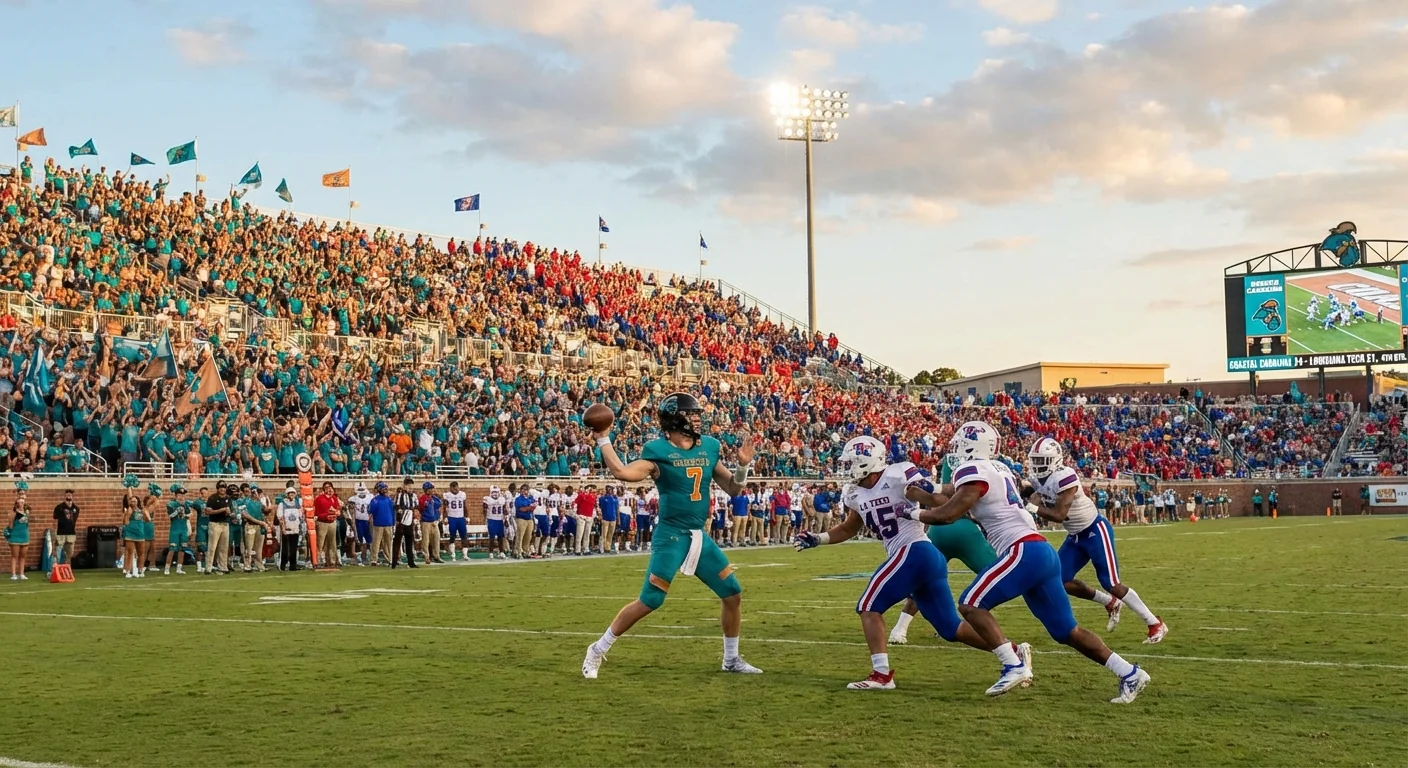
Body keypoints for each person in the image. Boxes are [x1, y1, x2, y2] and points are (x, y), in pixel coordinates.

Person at [900, 421, 1151, 703]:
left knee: (971, 603)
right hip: (1040, 551)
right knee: (1067, 632)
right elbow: (948, 494)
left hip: (1022, 549)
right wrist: (920, 491)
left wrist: (910, 514)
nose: (957, 448)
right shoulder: (999, 469)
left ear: (972, 445)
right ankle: (1130, 673)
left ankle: (1013, 664)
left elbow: (948, 513)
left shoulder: (973, 471)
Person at [796, 436, 1033, 692]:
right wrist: (818, 538)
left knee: (868, 607)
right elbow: (849, 528)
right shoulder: (854, 493)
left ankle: (881, 675)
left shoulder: (898, 473)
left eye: (851, 462)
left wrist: (920, 494)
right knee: (950, 628)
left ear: (868, 461)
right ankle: (1012, 653)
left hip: (914, 549)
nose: (847, 467)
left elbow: (940, 502)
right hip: (923, 557)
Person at [582, 392, 762, 679]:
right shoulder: (658, 452)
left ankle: (731, 660)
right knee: (651, 599)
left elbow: (734, 489)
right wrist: (603, 438)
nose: (697, 419)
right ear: (676, 418)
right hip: (672, 535)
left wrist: (742, 466)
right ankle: (597, 649)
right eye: (692, 414)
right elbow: (623, 473)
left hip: (698, 536)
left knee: (732, 593)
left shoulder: (709, 447)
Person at [1026, 438, 1168, 643]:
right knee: (1060, 580)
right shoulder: (1038, 479)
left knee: (1112, 583)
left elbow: (1059, 515)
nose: (1038, 465)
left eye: (1042, 460)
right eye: (1036, 460)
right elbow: (1036, 495)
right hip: (1075, 536)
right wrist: (1027, 498)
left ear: (1055, 460)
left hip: (1094, 530)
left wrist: (1033, 508)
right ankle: (1110, 602)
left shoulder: (1065, 476)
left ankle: (1155, 623)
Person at [889, 461, 1000, 646]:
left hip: (938, 530)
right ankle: (978, 624)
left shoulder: (950, 465)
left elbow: (938, 496)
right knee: (1000, 575)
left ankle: (900, 629)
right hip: (965, 529)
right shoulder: (978, 468)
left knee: (922, 581)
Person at [241, 484, 272, 572]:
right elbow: (245, 514)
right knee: (249, 547)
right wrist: (259, 522)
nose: (257, 494)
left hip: (259, 526)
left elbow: (266, 511)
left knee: (259, 547)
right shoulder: (246, 501)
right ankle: (247, 564)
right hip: (250, 525)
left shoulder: (259, 502)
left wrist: (264, 502)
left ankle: (259, 564)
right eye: (255, 492)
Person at [313, 481, 342, 568]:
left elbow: (337, 509)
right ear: (324, 489)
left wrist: (335, 512)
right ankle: (316, 561)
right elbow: (315, 510)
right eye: (326, 487)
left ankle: (332, 561)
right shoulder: (319, 498)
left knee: (332, 543)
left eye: (330, 487)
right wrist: (320, 516)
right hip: (322, 522)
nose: (328, 489)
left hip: (332, 522)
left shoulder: (334, 498)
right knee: (320, 543)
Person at [205, 484, 232, 575]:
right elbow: (208, 511)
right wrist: (222, 510)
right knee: (212, 547)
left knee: (224, 547)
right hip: (215, 524)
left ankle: (223, 566)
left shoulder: (228, 498)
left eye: (224, 488)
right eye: (220, 488)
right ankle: (208, 567)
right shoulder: (212, 498)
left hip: (225, 524)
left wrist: (229, 512)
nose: (222, 489)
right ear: (217, 489)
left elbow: (230, 511)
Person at [163, 486, 192, 575]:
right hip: (175, 529)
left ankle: (179, 568)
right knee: (172, 548)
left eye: (183, 495)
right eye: (179, 495)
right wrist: (177, 511)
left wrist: (185, 514)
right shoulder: (171, 504)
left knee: (182, 549)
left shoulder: (186, 504)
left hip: (183, 528)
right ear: (175, 496)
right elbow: (170, 516)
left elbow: (189, 514)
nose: (181, 497)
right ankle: (167, 568)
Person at [393, 479, 420, 569]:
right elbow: (396, 506)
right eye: (408, 486)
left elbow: (417, 506)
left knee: (409, 542)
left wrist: (415, 513)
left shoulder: (414, 495)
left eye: (411, 487)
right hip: (401, 521)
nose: (410, 488)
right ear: (404, 486)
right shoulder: (400, 495)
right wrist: (399, 518)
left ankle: (411, 562)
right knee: (397, 542)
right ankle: (394, 561)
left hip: (409, 519)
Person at [368, 482, 396, 566]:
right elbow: (370, 510)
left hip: (388, 524)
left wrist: (393, 522)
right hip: (378, 524)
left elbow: (392, 511)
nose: (385, 490)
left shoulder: (389, 500)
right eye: (383, 488)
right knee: (376, 543)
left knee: (389, 543)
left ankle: (390, 559)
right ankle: (374, 559)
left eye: (385, 488)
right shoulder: (375, 500)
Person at [277, 488, 303, 571]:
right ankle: (283, 565)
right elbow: (280, 517)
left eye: (293, 493)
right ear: (287, 494)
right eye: (290, 493)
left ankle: (293, 566)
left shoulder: (297, 504)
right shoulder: (282, 504)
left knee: (293, 548)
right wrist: (283, 528)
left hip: (295, 528)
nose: (292, 494)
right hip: (286, 529)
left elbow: (300, 516)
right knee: (285, 549)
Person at [51, 489, 80, 564]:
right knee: (58, 553)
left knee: (69, 554)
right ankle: (55, 567)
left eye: (70, 494)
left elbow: (74, 521)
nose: (69, 496)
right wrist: (54, 533)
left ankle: (67, 568)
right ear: (65, 496)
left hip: (71, 533)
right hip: (60, 533)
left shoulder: (76, 508)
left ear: (73, 496)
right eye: (67, 494)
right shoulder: (59, 507)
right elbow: (54, 520)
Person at [419, 482, 444, 563]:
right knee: (425, 540)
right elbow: (421, 507)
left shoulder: (434, 498)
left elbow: (439, 503)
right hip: (425, 522)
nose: (432, 490)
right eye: (430, 489)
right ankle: (426, 556)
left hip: (434, 521)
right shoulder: (422, 498)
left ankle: (436, 556)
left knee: (436, 538)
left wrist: (433, 496)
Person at [349, 483, 373, 565]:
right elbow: (352, 513)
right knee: (359, 541)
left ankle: (370, 557)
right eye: (359, 490)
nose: (361, 491)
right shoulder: (353, 499)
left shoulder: (370, 497)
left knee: (370, 541)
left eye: (362, 489)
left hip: (368, 521)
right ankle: (359, 558)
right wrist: (352, 524)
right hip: (358, 521)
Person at [443, 481, 469, 561]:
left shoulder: (462, 494)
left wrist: (467, 516)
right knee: (452, 536)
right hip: (452, 518)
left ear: (458, 487)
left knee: (464, 536)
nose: (455, 489)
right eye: (453, 488)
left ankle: (465, 555)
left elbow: (464, 506)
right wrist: (445, 517)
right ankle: (453, 554)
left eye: (456, 487)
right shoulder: (447, 495)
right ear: (450, 488)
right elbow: (445, 507)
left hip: (461, 518)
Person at [6, 500, 31, 580]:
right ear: (16, 504)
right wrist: (8, 534)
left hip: (24, 536)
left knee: (23, 556)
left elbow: (27, 524)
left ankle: (21, 574)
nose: (22, 503)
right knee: (14, 556)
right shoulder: (13, 514)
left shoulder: (27, 513)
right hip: (15, 536)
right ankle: (13, 574)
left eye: (23, 502)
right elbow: (10, 526)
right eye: (20, 502)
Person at [483, 486, 508, 559]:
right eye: (493, 492)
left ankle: (501, 552)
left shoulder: (502, 499)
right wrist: (485, 518)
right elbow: (484, 509)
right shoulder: (487, 499)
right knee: (492, 537)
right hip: (491, 520)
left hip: (499, 520)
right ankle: (491, 552)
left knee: (501, 537)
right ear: (490, 492)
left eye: (496, 492)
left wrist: (506, 519)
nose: (495, 494)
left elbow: (504, 510)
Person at [513, 485, 537, 559]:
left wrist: (529, 508)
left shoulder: (530, 498)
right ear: (521, 490)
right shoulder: (518, 499)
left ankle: (525, 551)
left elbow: (534, 506)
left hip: (530, 518)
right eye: (523, 489)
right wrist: (529, 507)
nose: (525, 491)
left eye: (526, 489)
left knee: (528, 536)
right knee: (520, 536)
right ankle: (518, 551)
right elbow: (521, 509)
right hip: (521, 518)